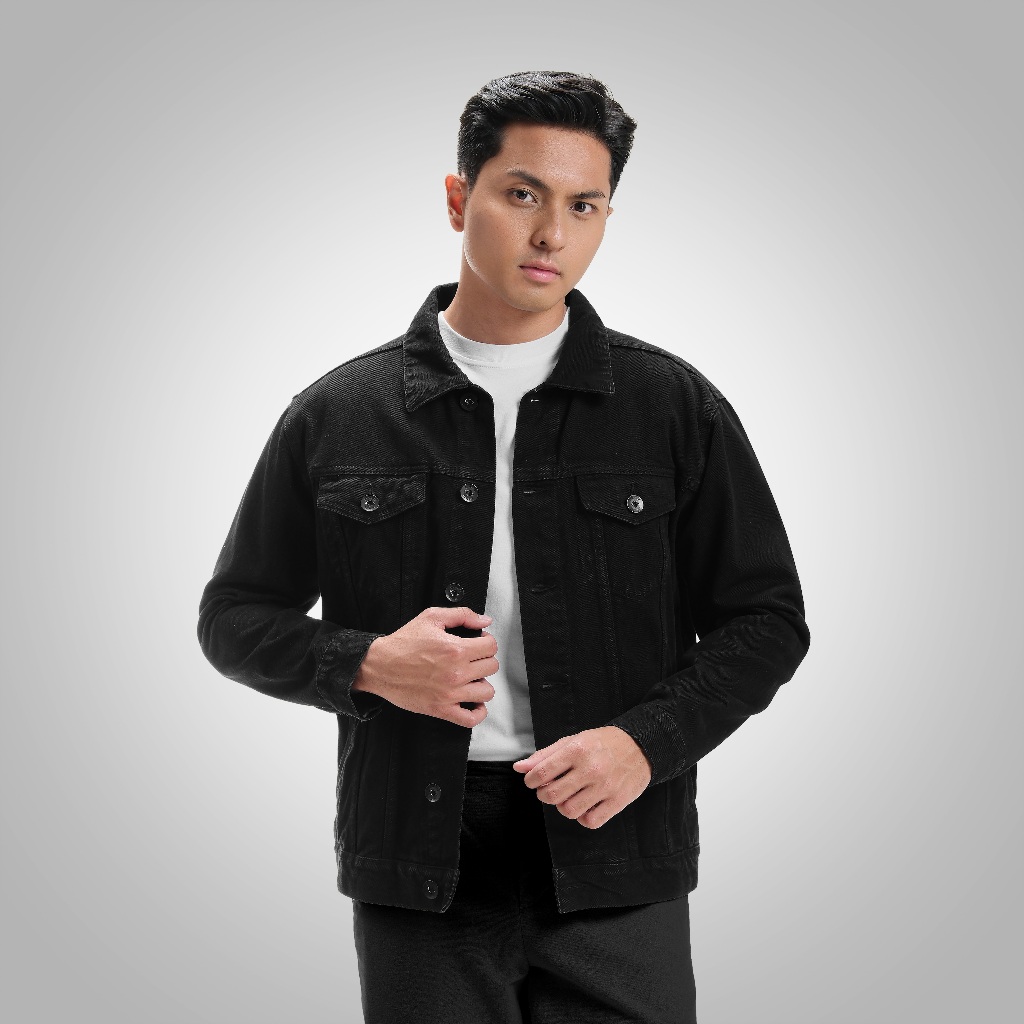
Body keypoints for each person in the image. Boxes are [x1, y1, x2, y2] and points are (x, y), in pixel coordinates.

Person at [198, 70, 809, 1024]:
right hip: (420, 859)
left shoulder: (672, 407)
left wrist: (644, 745)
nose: (552, 234)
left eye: (584, 205)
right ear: (459, 199)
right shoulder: (339, 414)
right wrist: (368, 663)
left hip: (615, 847)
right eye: (523, 194)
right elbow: (233, 618)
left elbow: (767, 620)